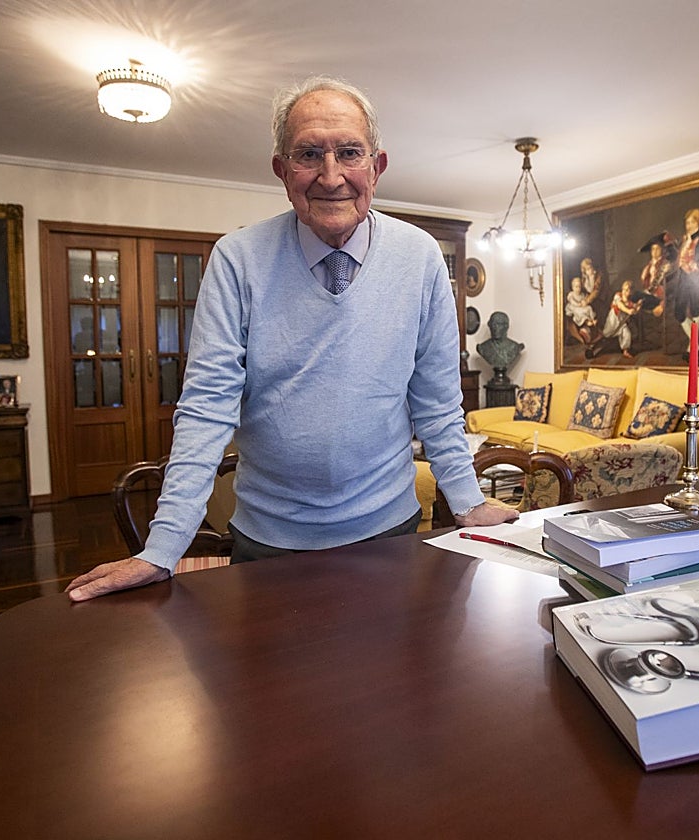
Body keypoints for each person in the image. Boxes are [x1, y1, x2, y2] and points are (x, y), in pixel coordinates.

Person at [67, 76, 516, 601]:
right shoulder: (237, 259)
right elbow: (207, 409)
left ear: (377, 165)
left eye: (350, 153)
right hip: (269, 540)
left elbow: (437, 400)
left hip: (389, 533)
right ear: (282, 169)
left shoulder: (420, 259)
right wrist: (162, 549)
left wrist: (468, 502)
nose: (332, 177)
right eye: (309, 155)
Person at [671, 209, 699, 361]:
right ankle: (696, 346)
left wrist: (695, 265)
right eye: (687, 222)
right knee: (679, 312)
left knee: (695, 311)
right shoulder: (684, 239)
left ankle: (691, 348)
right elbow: (679, 258)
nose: (689, 225)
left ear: (698, 222)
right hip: (683, 278)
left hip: (696, 278)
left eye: (692, 222)